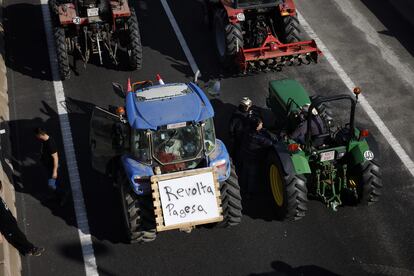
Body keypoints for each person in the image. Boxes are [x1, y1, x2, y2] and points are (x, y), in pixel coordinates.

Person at [0, 181, 44, 256]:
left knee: (17, 237)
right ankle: (31, 249)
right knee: (19, 237)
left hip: (10, 221)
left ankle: (25, 250)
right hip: (6, 225)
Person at [239, 116, 275, 197]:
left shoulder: (248, 131)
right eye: (260, 124)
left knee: (245, 172)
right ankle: (250, 193)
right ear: (256, 127)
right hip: (254, 158)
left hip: (245, 155)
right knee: (252, 176)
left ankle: (242, 187)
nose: (262, 124)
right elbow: (270, 143)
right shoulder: (258, 138)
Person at [34, 127, 62, 203]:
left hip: (52, 166)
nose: (36, 137)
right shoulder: (44, 140)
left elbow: (55, 157)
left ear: (40, 135)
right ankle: (57, 195)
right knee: (54, 183)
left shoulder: (50, 144)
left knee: (52, 185)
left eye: (36, 135)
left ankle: (62, 195)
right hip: (48, 165)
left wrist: (54, 171)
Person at [228, 97, 259, 165]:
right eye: (248, 106)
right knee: (237, 149)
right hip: (239, 136)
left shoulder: (245, 112)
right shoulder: (237, 116)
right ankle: (236, 161)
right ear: (244, 106)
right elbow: (231, 128)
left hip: (243, 134)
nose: (249, 107)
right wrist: (232, 137)